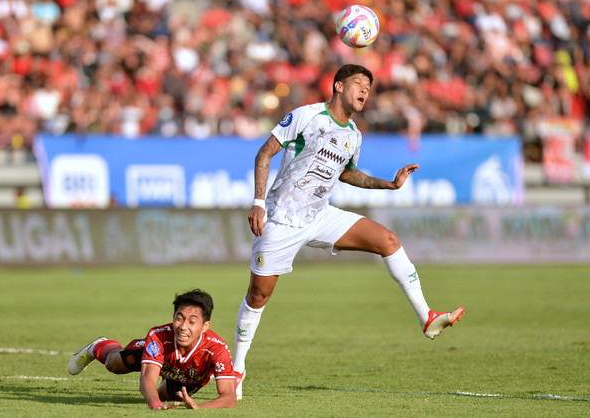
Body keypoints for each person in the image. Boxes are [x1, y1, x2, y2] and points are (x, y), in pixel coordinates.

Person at [233, 64, 465, 400]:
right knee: (258, 296)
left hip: (320, 214)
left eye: (368, 88)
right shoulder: (307, 116)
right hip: (282, 218)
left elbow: (348, 174)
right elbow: (265, 152)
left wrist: (389, 184)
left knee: (388, 241)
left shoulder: (353, 134)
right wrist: (258, 202)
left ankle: (426, 317)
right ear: (338, 86)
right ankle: (237, 369)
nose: (364, 91)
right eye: (358, 83)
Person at [67, 289, 236, 410]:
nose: (183, 327)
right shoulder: (159, 337)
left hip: (186, 378)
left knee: (165, 396)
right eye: (179, 318)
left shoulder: (217, 349)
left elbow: (229, 397)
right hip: (160, 357)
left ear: (205, 326)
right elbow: (147, 380)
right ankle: (99, 346)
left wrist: (199, 406)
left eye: (192, 322)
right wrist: (155, 404)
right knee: (113, 364)